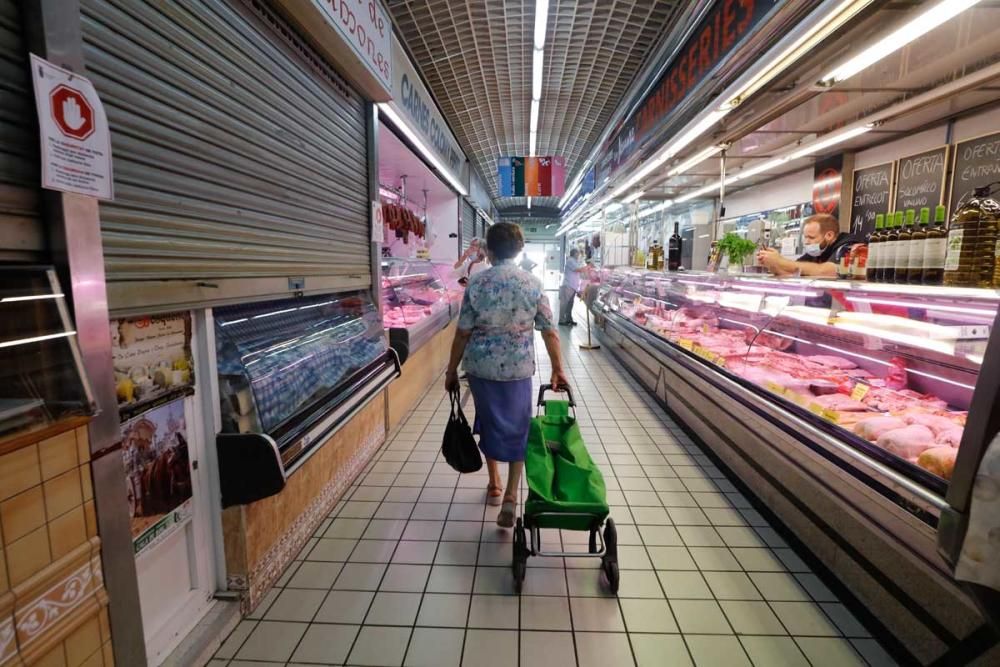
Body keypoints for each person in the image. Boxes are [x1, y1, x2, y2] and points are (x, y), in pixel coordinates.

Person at [445, 223, 568, 527]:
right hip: (518, 370)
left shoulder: (477, 283)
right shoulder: (533, 283)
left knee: (488, 422)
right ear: (519, 249)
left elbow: (462, 333)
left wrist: (450, 370)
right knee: (518, 428)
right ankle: (512, 495)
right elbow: (550, 332)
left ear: (488, 249)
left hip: (481, 370)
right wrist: (558, 369)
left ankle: (495, 485)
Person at [756, 213, 853, 278]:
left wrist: (780, 260)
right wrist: (772, 264)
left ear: (829, 235)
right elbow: (792, 274)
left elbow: (826, 272)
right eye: (805, 237)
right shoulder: (816, 252)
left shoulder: (848, 246)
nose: (806, 242)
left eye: (811, 237)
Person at [558, 247, 587, 326]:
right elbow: (578, 269)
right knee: (564, 304)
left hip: (572, 286)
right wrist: (588, 266)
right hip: (568, 285)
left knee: (570, 304)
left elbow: (580, 271)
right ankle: (561, 320)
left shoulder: (575, 261)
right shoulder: (570, 260)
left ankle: (568, 319)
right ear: (574, 253)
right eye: (578, 253)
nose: (579, 255)